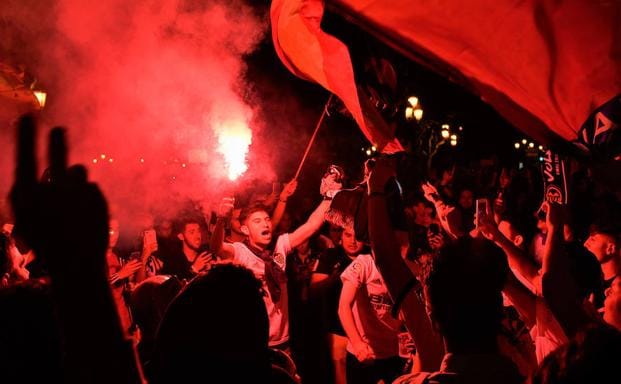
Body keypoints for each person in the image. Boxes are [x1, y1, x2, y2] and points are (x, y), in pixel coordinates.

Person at [211, 172, 340, 350]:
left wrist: (328, 197)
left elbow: (311, 226)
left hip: (283, 340)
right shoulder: (240, 251)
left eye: (266, 220)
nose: (265, 224)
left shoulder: (279, 245)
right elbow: (216, 248)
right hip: (254, 343)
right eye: (257, 221)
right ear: (245, 230)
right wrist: (220, 219)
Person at [338, 252, 406, 384]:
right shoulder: (364, 263)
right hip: (364, 352)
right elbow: (343, 306)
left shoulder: (405, 266)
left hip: (394, 351)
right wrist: (358, 343)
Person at [312, 227, 366, 384]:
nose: (353, 241)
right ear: (341, 236)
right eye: (348, 235)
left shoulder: (370, 256)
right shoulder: (331, 256)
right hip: (337, 327)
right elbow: (314, 288)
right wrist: (335, 277)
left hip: (365, 328)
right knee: (340, 371)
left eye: (358, 237)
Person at [150, 217, 214, 281]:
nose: (198, 236)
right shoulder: (172, 261)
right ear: (181, 236)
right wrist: (193, 269)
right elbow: (174, 288)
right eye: (192, 232)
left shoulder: (206, 256)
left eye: (198, 231)